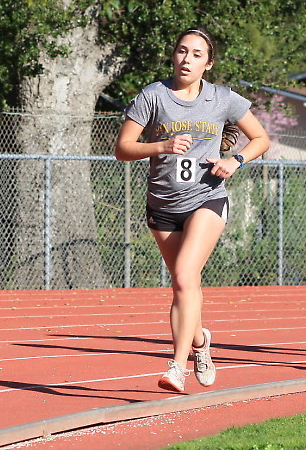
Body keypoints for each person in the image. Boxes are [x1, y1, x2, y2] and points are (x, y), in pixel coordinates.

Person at [115, 27, 270, 391]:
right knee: (184, 286)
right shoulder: (153, 96)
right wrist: (161, 146)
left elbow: (261, 138)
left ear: (208, 63)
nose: (187, 59)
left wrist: (236, 161)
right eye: (182, 51)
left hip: (207, 198)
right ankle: (200, 341)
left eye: (197, 54)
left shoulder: (223, 98)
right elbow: (123, 148)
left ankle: (176, 368)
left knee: (186, 275)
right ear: (173, 55)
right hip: (163, 204)